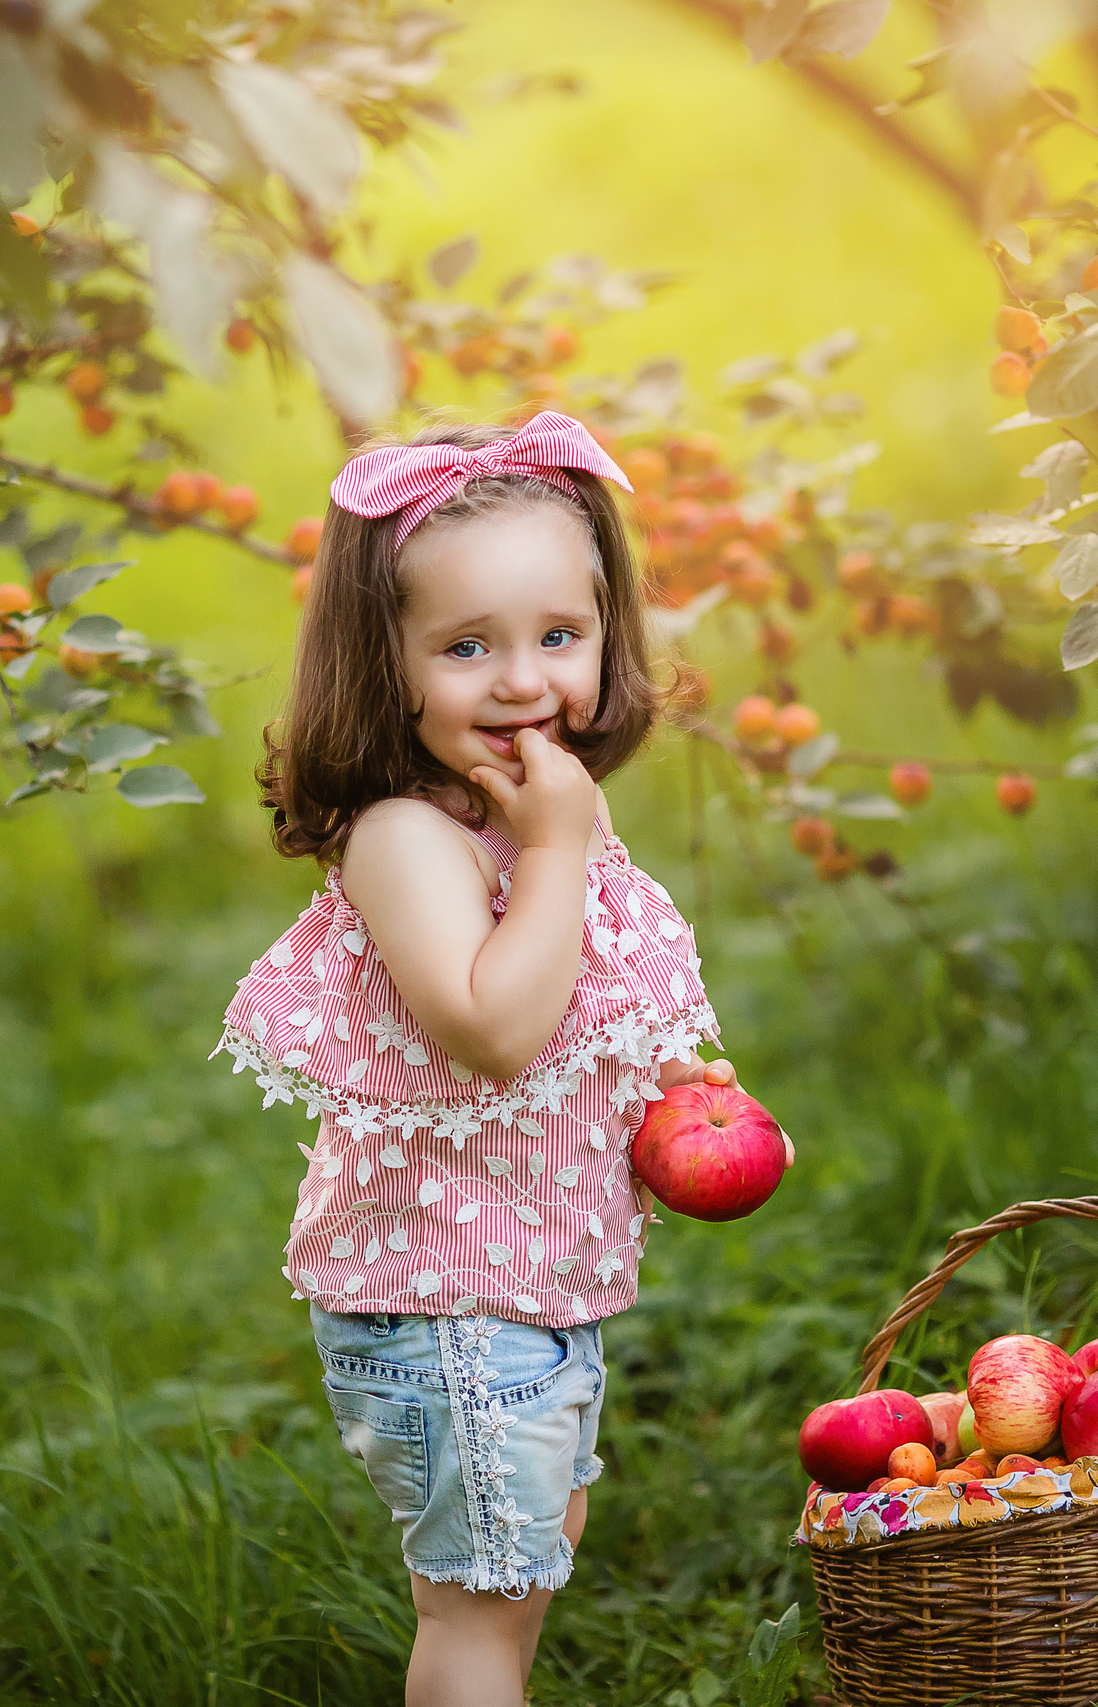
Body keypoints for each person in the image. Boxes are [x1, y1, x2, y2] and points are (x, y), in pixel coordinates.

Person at [213, 413, 786, 1705]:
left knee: (521, 1579)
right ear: (387, 665)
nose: (524, 682)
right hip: (448, 1307)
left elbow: (583, 1007)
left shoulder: (527, 812)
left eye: (559, 638)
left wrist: (692, 1093)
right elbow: (493, 1030)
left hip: (526, 1291)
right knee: (477, 1612)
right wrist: (559, 851)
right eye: (469, 646)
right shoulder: (410, 835)